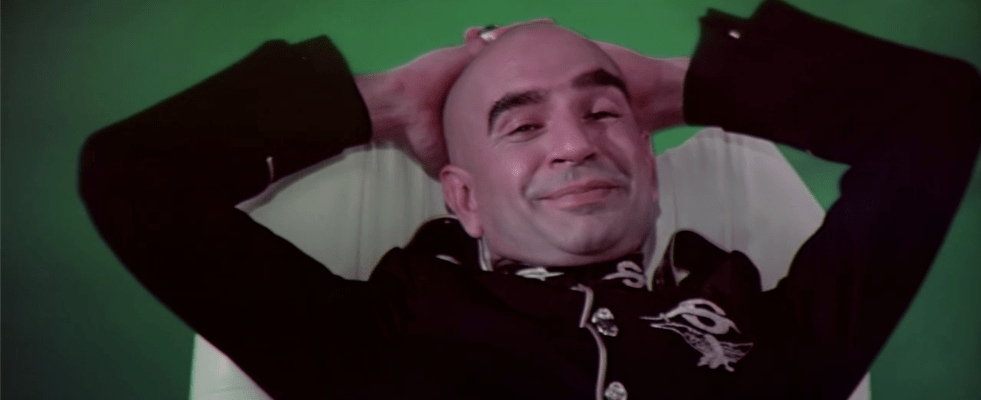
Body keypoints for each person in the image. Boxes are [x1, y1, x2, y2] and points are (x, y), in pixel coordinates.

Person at [78, 0, 980, 399]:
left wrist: (683, 85)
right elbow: (133, 173)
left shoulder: (779, 336)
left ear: (651, 164)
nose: (574, 142)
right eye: (519, 125)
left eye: (602, 112)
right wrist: (384, 102)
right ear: (461, 198)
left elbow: (937, 112)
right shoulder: (373, 345)